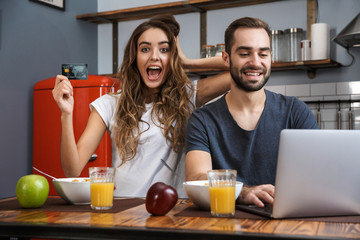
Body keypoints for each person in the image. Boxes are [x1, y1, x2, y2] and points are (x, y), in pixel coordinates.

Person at [52, 17, 230, 198]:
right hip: (123, 211)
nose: (154, 56)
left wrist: (186, 62)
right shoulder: (109, 104)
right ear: (134, 58)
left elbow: (237, 68)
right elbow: (72, 171)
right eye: (145, 49)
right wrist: (66, 114)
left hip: (171, 212)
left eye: (164, 49)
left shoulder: (188, 96)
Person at [185, 17, 319, 207]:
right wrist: (242, 192)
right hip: (224, 227)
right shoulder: (202, 120)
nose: (255, 63)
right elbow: (197, 179)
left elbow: (318, 173)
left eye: (263, 54)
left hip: (285, 224)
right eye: (245, 53)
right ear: (226, 58)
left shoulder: (295, 111)